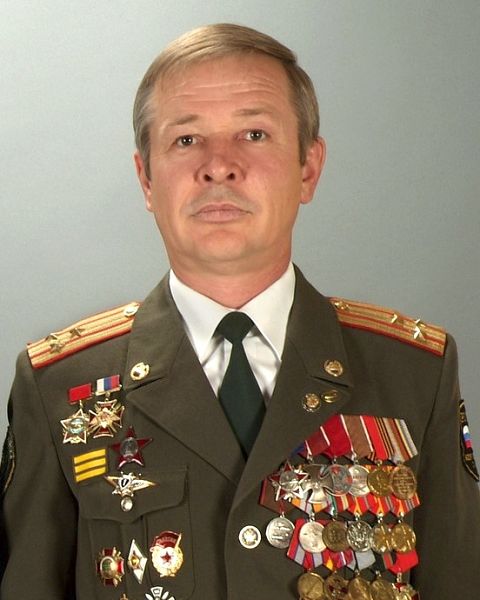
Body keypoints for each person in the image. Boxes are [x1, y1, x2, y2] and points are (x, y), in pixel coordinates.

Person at [1, 23, 479, 600]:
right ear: (146, 179)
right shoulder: (58, 386)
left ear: (308, 168)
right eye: (186, 139)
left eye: (254, 134)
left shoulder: (414, 374)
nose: (219, 165)